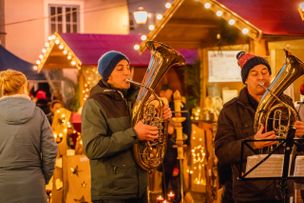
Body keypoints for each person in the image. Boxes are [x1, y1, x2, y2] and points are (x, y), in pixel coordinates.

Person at [81, 50, 172, 203]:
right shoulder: (95, 104)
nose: (127, 73)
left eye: (128, 67)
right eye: (120, 68)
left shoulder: (137, 99)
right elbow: (93, 147)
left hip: (140, 189)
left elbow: (149, 137)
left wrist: (161, 120)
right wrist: (134, 134)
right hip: (112, 193)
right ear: (107, 75)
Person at [215, 51, 304, 203]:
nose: (261, 77)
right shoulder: (230, 110)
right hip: (247, 193)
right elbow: (222, 152)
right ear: (245, 80)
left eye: (265, 72)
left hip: (282, 190)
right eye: (254, 74)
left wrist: (301, 135)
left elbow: (297, 147)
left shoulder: (285, 103)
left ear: (270, 76)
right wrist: (253, 143)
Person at [0, 69, 57, 203]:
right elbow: (50, 151)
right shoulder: (38, 114)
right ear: (23, 87)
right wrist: (43, 178)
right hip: (33, 184)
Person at [159, 84, 191, 203]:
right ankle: (166, 195)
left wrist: (186, 140)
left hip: (176, 145)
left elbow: (186, 125)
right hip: (169, 145)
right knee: (167, 172)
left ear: (169, 91)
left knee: (175, 172)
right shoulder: (165, 105)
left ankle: (175, 196)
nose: (161, 95)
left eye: (163, 92)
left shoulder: (178, 106)